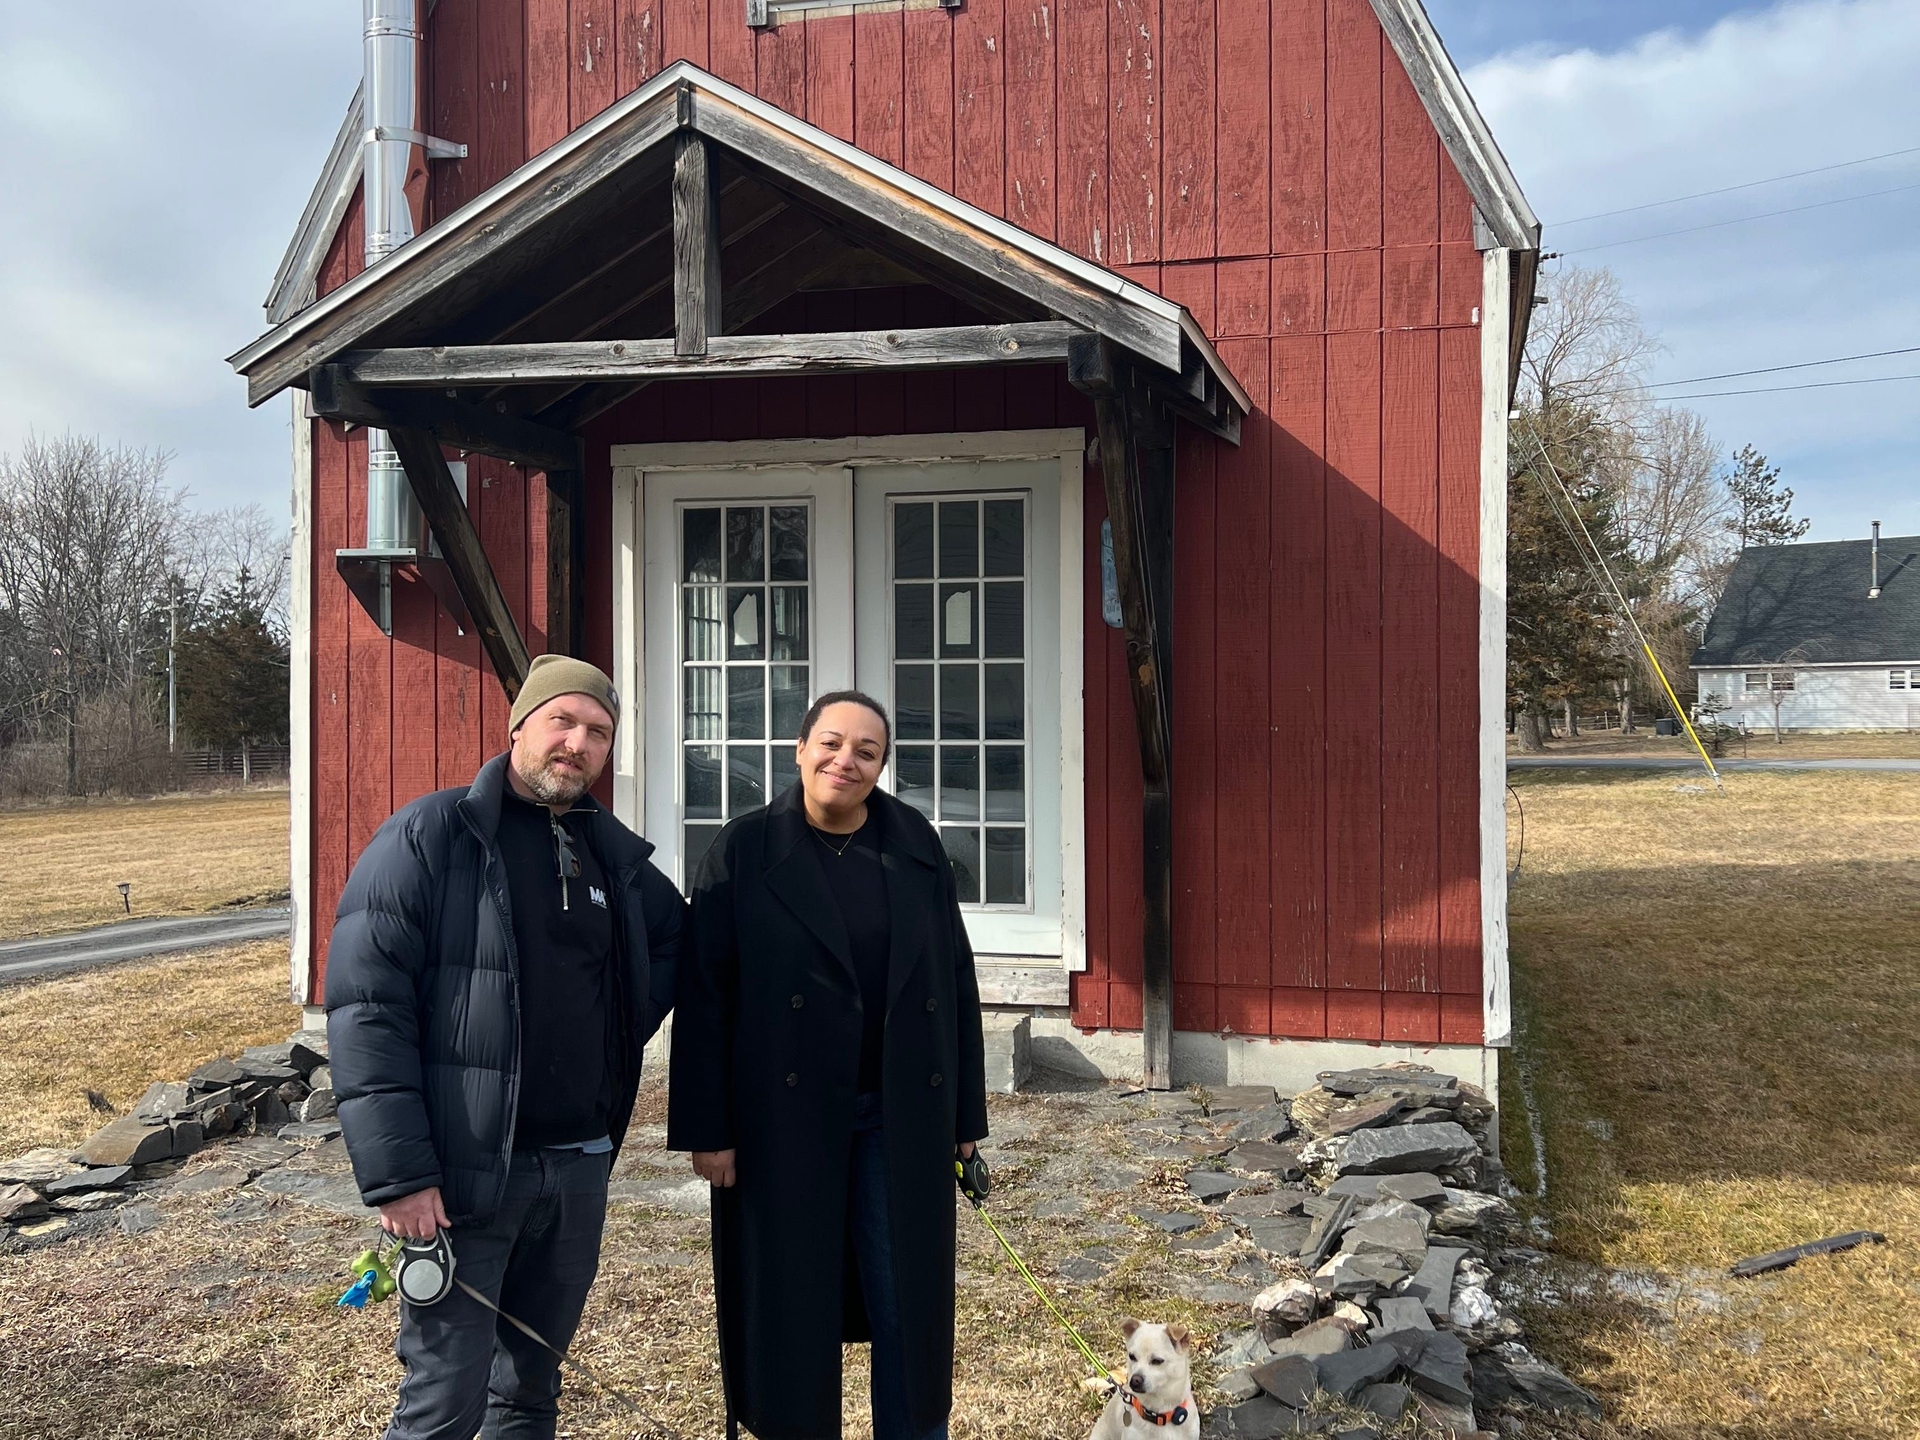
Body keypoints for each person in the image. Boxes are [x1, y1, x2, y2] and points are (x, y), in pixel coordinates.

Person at [327, 654, 685, 1440]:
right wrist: (401, 1176)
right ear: (519, 725)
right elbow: (366, 1009)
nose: (577, 743)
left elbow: (677, 944)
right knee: (443, 1399)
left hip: (579, 1168)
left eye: (598, 732)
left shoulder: (612, 859)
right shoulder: (432, 834)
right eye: (562, 721)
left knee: (528, 1390)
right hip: (464, 1178)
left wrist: (619, 1029)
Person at [669, 690, 988, 1440]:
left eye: (867, 751)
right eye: (832, 743)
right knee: (790, 1303)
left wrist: (965, 1119)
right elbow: (706, 996)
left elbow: (955, 981)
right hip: (781, 1120)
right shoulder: (744, 850)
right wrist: (707, 1129)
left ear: (880, 767)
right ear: (800, 749)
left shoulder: (915, 846)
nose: (847, 760)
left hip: (899, 1115)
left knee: (906, 1299)